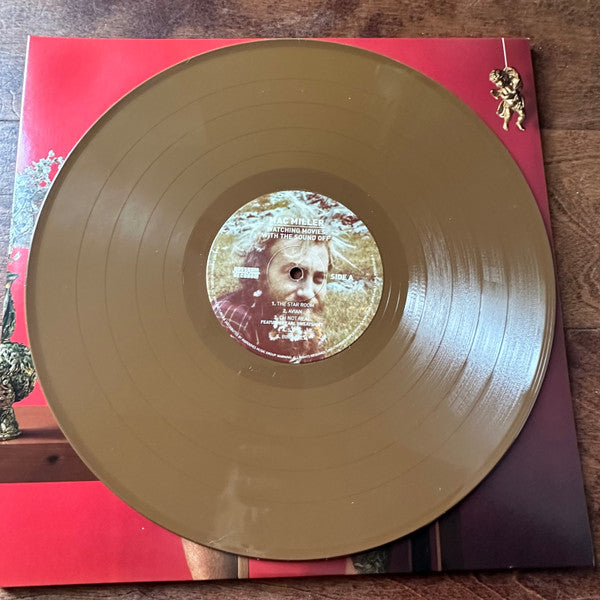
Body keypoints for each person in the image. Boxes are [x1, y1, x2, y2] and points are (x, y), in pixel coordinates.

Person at [211, 234, 331, 363]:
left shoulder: (304, 320)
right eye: (295, 274)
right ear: (261, 272)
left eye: (318, 278)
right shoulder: (232, 319)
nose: (308, 293)